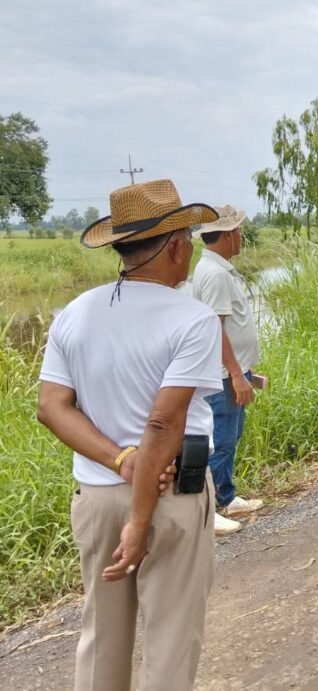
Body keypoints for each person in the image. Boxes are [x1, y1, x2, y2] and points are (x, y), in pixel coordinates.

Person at [37, 179, 222, 690]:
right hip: (168, 496)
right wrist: (140, 520)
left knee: (102, 638)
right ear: (175, 247)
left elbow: (51, 408)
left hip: (96, 497)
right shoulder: (193, 319)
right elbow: (163, 423)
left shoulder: (75, 313)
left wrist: (120, 460)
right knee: (170, 639)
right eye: (187, 239)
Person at [191, 205, 264, 535]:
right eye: (237, 231)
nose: (241, 236)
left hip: (231, 370)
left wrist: (244, 369)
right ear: (226, 235)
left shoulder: (217, 269)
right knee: (221, 439)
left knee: (229, 436)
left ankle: (226, 497)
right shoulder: (216, 274)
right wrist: (235, 373)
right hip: (223, 375)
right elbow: (214, 329)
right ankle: (213, 506)